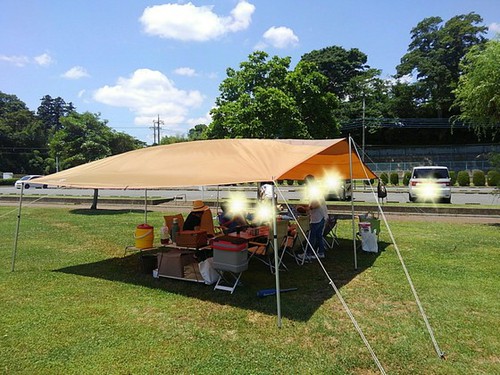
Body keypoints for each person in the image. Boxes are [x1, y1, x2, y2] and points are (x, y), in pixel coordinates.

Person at [299, 175, 328, 261]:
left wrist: (308, 208)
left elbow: (317, 203)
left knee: (312, 236)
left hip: (317, 217)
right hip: (321, 216)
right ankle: (321, 252)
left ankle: (309, 253)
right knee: (319, 236)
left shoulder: (314, 190)